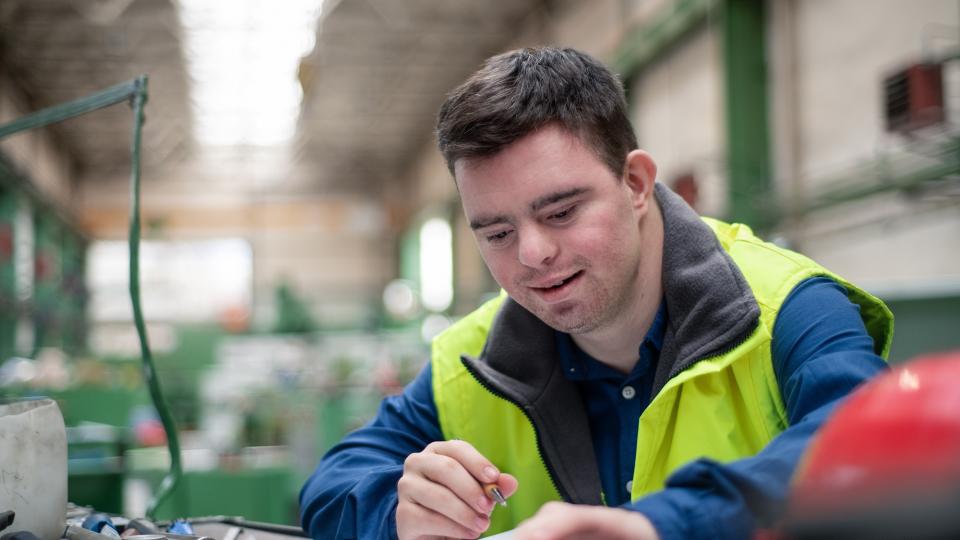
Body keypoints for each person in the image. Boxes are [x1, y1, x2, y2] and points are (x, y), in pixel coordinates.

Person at [299, 47, 892, 540]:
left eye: (560, 211)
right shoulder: (474, 359)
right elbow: (331, 485)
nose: (532, 254)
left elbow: (871, 453)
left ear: (635, 183)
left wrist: (657, 527)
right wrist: (397, 510)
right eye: (498, 232)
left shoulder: (787, 310)